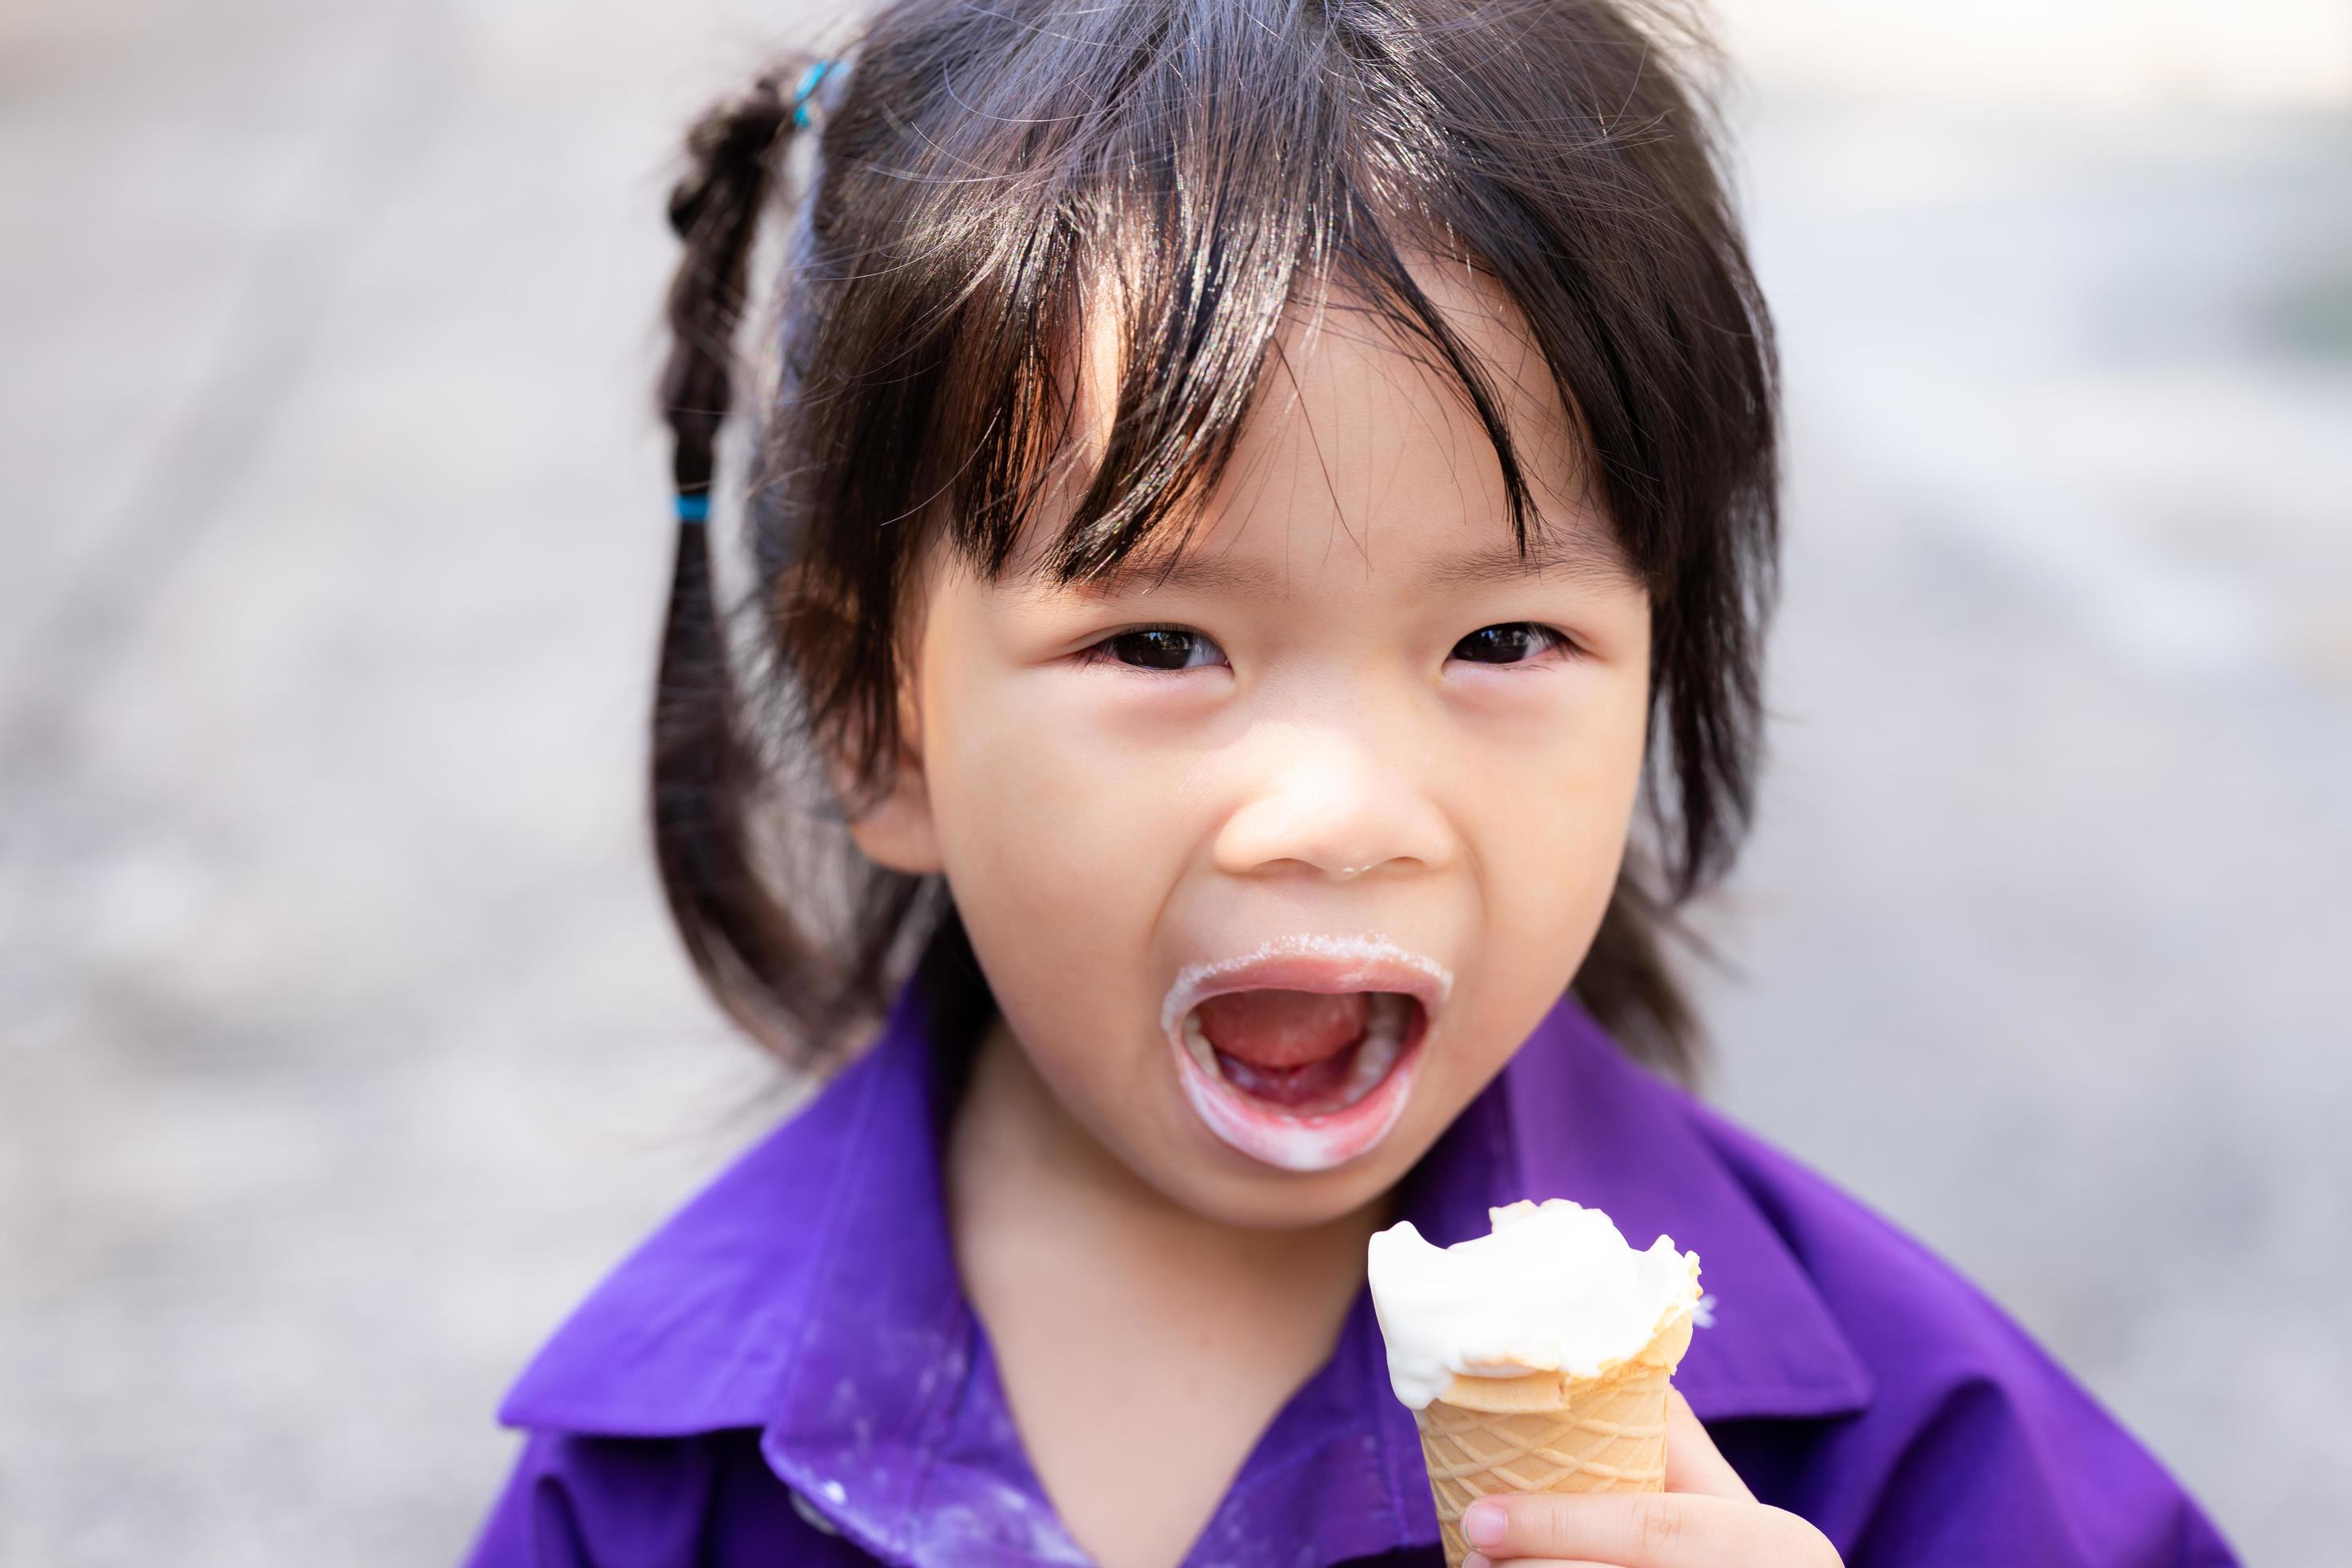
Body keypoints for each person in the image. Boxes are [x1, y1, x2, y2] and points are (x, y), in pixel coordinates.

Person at [461, 1, 2241, 1563]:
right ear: (876, 713)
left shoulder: (1897, 1451)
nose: (1339, 807)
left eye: (1502, 641)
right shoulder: (659, 1485)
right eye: (1161, 644)